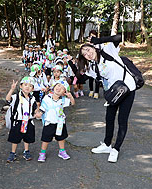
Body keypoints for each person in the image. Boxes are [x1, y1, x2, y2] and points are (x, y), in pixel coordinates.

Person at [67, 34, 136, 162]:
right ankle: (107, 144)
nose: (88, 54)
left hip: (127, 88)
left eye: (88, 50)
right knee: (109, 118)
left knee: (122, 120)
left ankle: (116, 149)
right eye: (84, 54)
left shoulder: (108, 51)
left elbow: (118, 38)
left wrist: (99, 40)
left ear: (93, 47)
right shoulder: (92, 66)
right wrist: (71, 63)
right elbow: (81, 78)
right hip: (113, 93)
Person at [37, 79, 75, 162]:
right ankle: (42, 153)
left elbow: (72, 103)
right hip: (49, 122)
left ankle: (62, 151)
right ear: (54, 87)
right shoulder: (47, 98)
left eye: (62, 88)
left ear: (64, 92)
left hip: (60, 122)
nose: (59, 88)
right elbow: (43, 108)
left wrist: (70, 96)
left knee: (61, 138)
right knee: (46, 139)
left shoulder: (63, 100)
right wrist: (39, 113)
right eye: (58, 86)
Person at [5, 77, 41, 162]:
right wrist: (12, 89)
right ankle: (12, 153)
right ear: (21, 86)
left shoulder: (32, 98)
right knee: (15, 138)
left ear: (32, 89)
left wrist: (37, 112)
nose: (27, 87)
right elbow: (7, 99)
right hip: (18, 121)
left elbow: (34, 109)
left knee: (27, 138)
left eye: (30, 86)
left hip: (28, 121)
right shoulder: (16, 97)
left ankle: (26, 151)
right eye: (25, 85)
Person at [88, 30, 101, 99]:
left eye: (94, 36)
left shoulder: (98, 44)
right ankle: (91, 90)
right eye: (91, 36)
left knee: (97, 77)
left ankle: (96, 92)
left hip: (97, 63)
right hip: (90, 63)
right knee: (90, 77)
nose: (92, 37)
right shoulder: (88, 45)